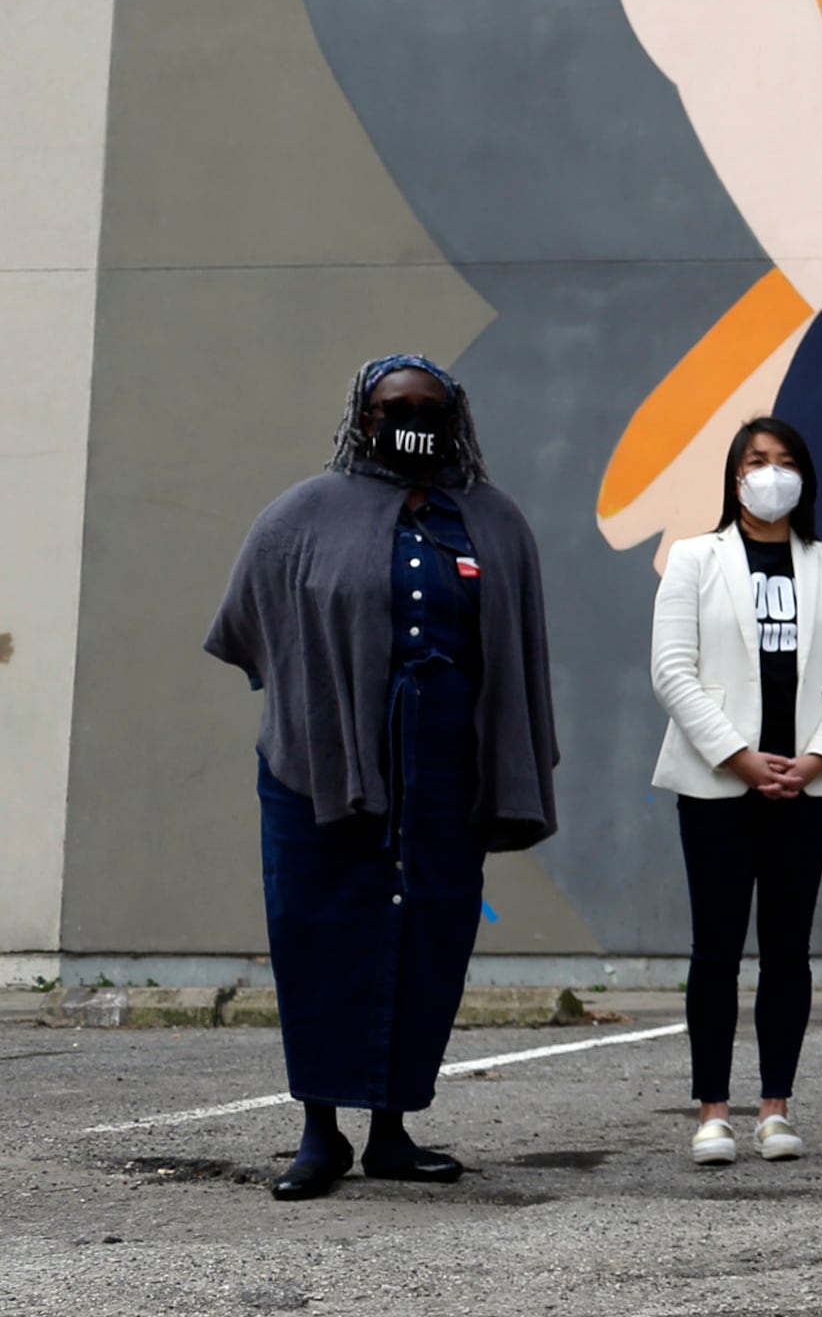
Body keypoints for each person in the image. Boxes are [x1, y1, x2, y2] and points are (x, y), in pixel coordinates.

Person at [209, 356, 560, 1202]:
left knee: (426, 939)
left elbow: (517, 646)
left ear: (455, 417)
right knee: (319, 936)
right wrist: (312, 699)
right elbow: (250, 625)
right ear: (363, 418)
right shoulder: (302, 514)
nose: (411, 418)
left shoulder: (494, 520)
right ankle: (319, 1133)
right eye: (393, 405)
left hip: (446, 770)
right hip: (323, 768)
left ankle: (393, 1131)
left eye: (429, 407)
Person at [649, 415, 822, 1167]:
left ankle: (776, 1108)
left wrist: (815, 760)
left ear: (804, 477)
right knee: (714, 951)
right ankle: (713, 1111)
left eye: (783, 461)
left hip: (803, 789)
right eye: (756, 460)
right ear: (733, 476)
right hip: (718, 784)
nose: (769, 473)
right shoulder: (695, 559)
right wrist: (739, 757)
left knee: (788, 952)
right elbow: (672, 671)